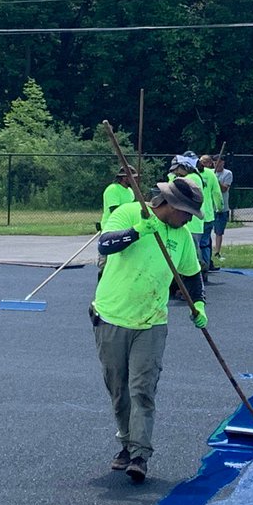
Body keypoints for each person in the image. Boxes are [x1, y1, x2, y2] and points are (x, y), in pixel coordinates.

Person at [90, 177, 207, 484]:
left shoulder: (181, 237)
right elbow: (104, 244)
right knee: (119, 388)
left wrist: (199, 304)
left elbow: (192, 276)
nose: (188, 220)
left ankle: (140, 454)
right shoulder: (130, 213)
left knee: (142, 388)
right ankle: (127, 443)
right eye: (186, 213)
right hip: (112, 316)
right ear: (168, 205)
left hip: (152, 322)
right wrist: (137, 232)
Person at [168, 153, 207, 280]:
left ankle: (197, 277)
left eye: (176, 169)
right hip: (191, 221)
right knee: (193, 251)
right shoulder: (194, 176)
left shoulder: (191, 178)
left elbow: (174, 191)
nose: (175, 172)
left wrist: (173, 179)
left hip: (192, 222)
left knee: (193, 253)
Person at [97, 167, 139, 278]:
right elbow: (115, 210)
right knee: (105, 263)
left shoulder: (130, 192)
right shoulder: (112, 189)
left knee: (121, 262)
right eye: (132, 178)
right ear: (124, 177)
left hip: (125, 230)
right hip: (111, 229)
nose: (134, 180)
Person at [197, 154, 224, 271]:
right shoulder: (211, 175)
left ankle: (196, 267)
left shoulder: (191, 175)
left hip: (194, 216)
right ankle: (206, 267)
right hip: (208, 215)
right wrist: (219, 208)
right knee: (205, 243)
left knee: (194, 243)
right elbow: (217, 194)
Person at [212, 155, 233, 261]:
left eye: (219, 162)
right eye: (215, 162)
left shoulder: (227, 174)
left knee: (219, 231)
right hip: (210, 207)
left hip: (222, 208)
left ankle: (217, 252)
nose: (217, 164)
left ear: (223, 163)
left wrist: (216, 180)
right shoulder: (210, 173)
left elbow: (224, 189)